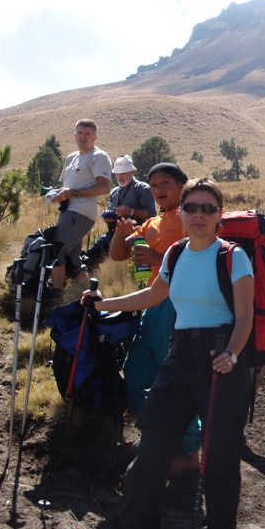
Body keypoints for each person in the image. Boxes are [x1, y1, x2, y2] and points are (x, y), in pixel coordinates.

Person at [87, 177, 254, 529]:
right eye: (191, 208)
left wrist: (231, 353)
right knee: (151, 453)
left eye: (207, 209)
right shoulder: (176, 253)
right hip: (179, 358)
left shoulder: (233, 257)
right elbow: (151, 296)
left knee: (219, 461)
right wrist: (101, 303)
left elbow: (245, 316)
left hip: (221, 362)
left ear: (219, 216)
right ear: (182, 211)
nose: (198, 215)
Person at [108, 162, 200, 472]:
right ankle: (156, 436)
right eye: (154, 186)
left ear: (181, 185)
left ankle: (188, 451)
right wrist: (122, 234)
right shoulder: (153, 223)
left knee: (174, 377)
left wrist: (158, 258)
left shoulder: (191, 218)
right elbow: (119, 256)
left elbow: (198, 262)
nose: (159, 190)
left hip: (179, 305)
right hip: (152, 304)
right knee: (135, 370)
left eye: (165, 184)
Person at [49, 118, 112, 290]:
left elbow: (105, 187)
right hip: (68, 212)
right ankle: (83, 296)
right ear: (74, 135)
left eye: (88, 134)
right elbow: (66, 185)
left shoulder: (98, 157)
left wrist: (74, 193)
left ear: (95, 137)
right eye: (80, 133)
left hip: (81, 213)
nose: (83, 137)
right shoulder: (71, 158)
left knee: (56, 251)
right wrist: (57, 194)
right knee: (74, 259)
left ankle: (55, 295)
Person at [83, 155, 155, 269]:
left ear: (133, 172)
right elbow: (112, 213)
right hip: (114, 234)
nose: (120, 177)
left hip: (137, 235)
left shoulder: (143, 189)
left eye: (124, 173)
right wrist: (109, 219)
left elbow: (151, 214)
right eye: (117, 174)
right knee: (90, 257)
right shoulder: (114, 192)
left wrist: (130, 211)